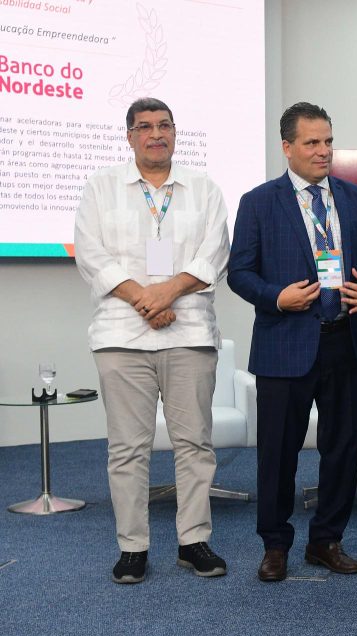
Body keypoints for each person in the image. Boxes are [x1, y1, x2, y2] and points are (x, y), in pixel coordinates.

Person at [228, 102, 357, 581]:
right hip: (284, 344)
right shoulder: (259, 202)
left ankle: (326, 540)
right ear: (287, 147)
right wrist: (276, 297)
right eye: (312, 143)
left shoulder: (356, 198)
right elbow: (239, 272)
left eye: (328, 142)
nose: (323, 151)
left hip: (345, 341)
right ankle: (275, 544)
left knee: (342, 449)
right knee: (277, 454)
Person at [74, 97, 230, 583]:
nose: (156, 134)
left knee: (194, 443)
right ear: (130, 136)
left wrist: (167, 293)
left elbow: (215, 253)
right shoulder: (101, 187)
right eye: (144, 127)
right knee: (127, 448)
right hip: (121, 335)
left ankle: (193, 541)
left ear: (175, 132)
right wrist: (144, 298)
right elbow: (91, 255)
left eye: (164, 125)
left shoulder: (203, 187)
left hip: (189, 332)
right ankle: (132, 548)